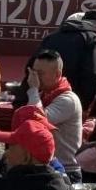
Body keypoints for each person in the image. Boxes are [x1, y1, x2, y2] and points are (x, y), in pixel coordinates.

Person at [25, 49, 84, 181]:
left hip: (67, 170)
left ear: (57, 74)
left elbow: (37, 120)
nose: (34, 78)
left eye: (40, 73)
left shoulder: (68, 100)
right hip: (47, 166)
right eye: (33, 72)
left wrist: (33, 89)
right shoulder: (42, 96)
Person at [38, 10, 96, 109]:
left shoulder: (50, 38)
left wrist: (24, 99)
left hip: (43, 101)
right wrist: (84, 106)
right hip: (74, 103)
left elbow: (32, 68)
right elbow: (94, 77)